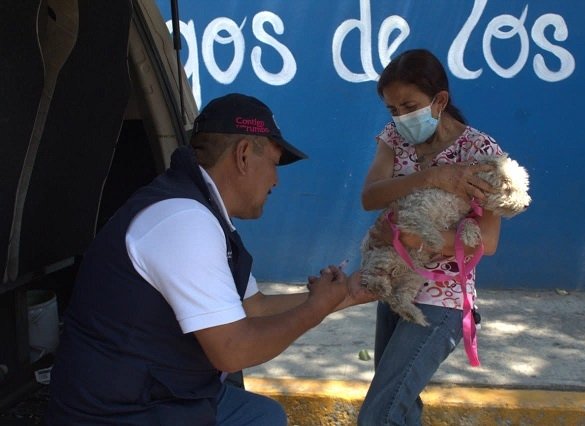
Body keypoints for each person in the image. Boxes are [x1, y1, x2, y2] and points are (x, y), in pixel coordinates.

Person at [47, 93, 374, 425]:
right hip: (117, 413)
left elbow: (255, 308)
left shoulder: (203, 211)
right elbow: (233, 350)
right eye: (274, 164)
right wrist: (315, 309)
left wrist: (347, 294)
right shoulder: (184, 221)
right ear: (243, 155)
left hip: (160, 396)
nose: (276, 180)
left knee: (264, 416)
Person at [357, 49, 503, 425]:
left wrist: (417, 239)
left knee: (379, 414)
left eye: (410, 106)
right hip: (396, 289)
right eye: (393, 109)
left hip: (442, 301)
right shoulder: (394, 138)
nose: (401, 117)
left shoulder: (480, 152)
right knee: (401, 409)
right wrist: (431, 177)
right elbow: (370, 196)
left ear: (439, 100)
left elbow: (487, 241)